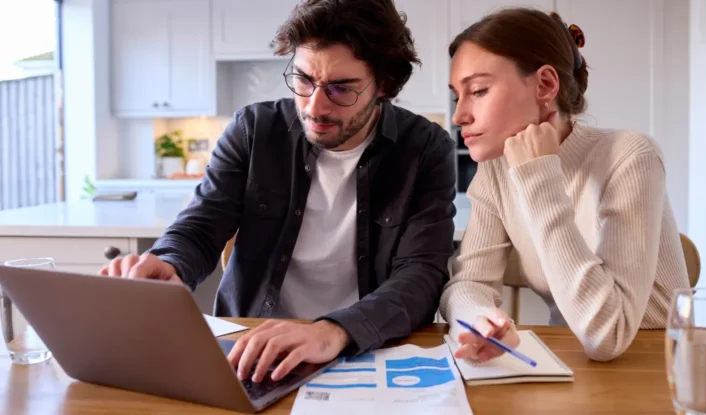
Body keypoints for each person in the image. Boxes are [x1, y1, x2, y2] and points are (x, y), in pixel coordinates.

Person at [100, 0, 457, 383]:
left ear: (383, 85)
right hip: (251, 346)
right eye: (303, 80)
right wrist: (169, 262)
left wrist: (333, 331)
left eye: (341, 89)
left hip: (363, 349)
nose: (314, 107)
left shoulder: (424, 148)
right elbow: (202, 226)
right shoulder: (254, 129)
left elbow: (421, 274)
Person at [441, 7, 690, 363]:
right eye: (457, 95)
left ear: (545, 85)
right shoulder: (496, 172)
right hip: (572, 362)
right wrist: (482, 322)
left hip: (654, 365)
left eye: (478, 90)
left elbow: (608, 334)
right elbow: (468, 283)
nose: (459, 115)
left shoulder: (630, 156)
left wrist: (540, 174)